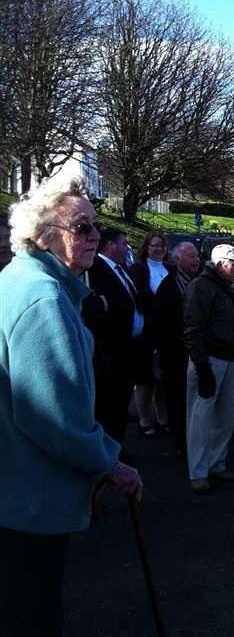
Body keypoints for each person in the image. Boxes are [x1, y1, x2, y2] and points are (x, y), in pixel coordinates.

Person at [0, 178, 141, 637]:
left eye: (96, 226)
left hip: (17, 493)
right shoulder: (42, 297)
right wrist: (109, 462)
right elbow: (52, 415)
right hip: (28, 502)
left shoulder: (23, 279)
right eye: (81, 228)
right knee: (33, 617)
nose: (95, 236)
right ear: (44, 235)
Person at [183, 244, 234, 493]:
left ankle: (216, 463)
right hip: (210, 358)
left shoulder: (223, 286)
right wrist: (201, 366)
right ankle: (198, 472)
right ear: (221, 264)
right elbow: (193, 329)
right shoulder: (201, 287)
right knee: (201, 418)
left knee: (225, 416)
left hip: (230, 357)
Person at [83, 227, 146, 445]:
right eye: (124, 243)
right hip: (110, 351)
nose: (127, 247)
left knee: (121, 403)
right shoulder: (95, 269)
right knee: (108, 404)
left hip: (128, 348)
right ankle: (107, 451)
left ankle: (117, 447)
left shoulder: (122, 269)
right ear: (109, 245)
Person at [155, 241, 202, 456]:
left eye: (196, 256)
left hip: (197, 351)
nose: (196, 260)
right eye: (191, 257)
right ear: (177, 260)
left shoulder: (199, 280)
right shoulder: (168, 286)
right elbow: (164, 326)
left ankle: (195, 439)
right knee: (178, 399)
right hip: (177, 354)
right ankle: (182, 444)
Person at [129, 231, 169, 437]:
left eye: (161, 246)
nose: (158, 249)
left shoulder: (169, 269)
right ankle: (144, 418)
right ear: (146, 247)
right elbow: (141, 295)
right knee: (145, 379)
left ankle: (162, 417)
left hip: (167, 331)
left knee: (163, 378)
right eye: (154, 245)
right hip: (147, 331)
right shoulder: (139, 269)